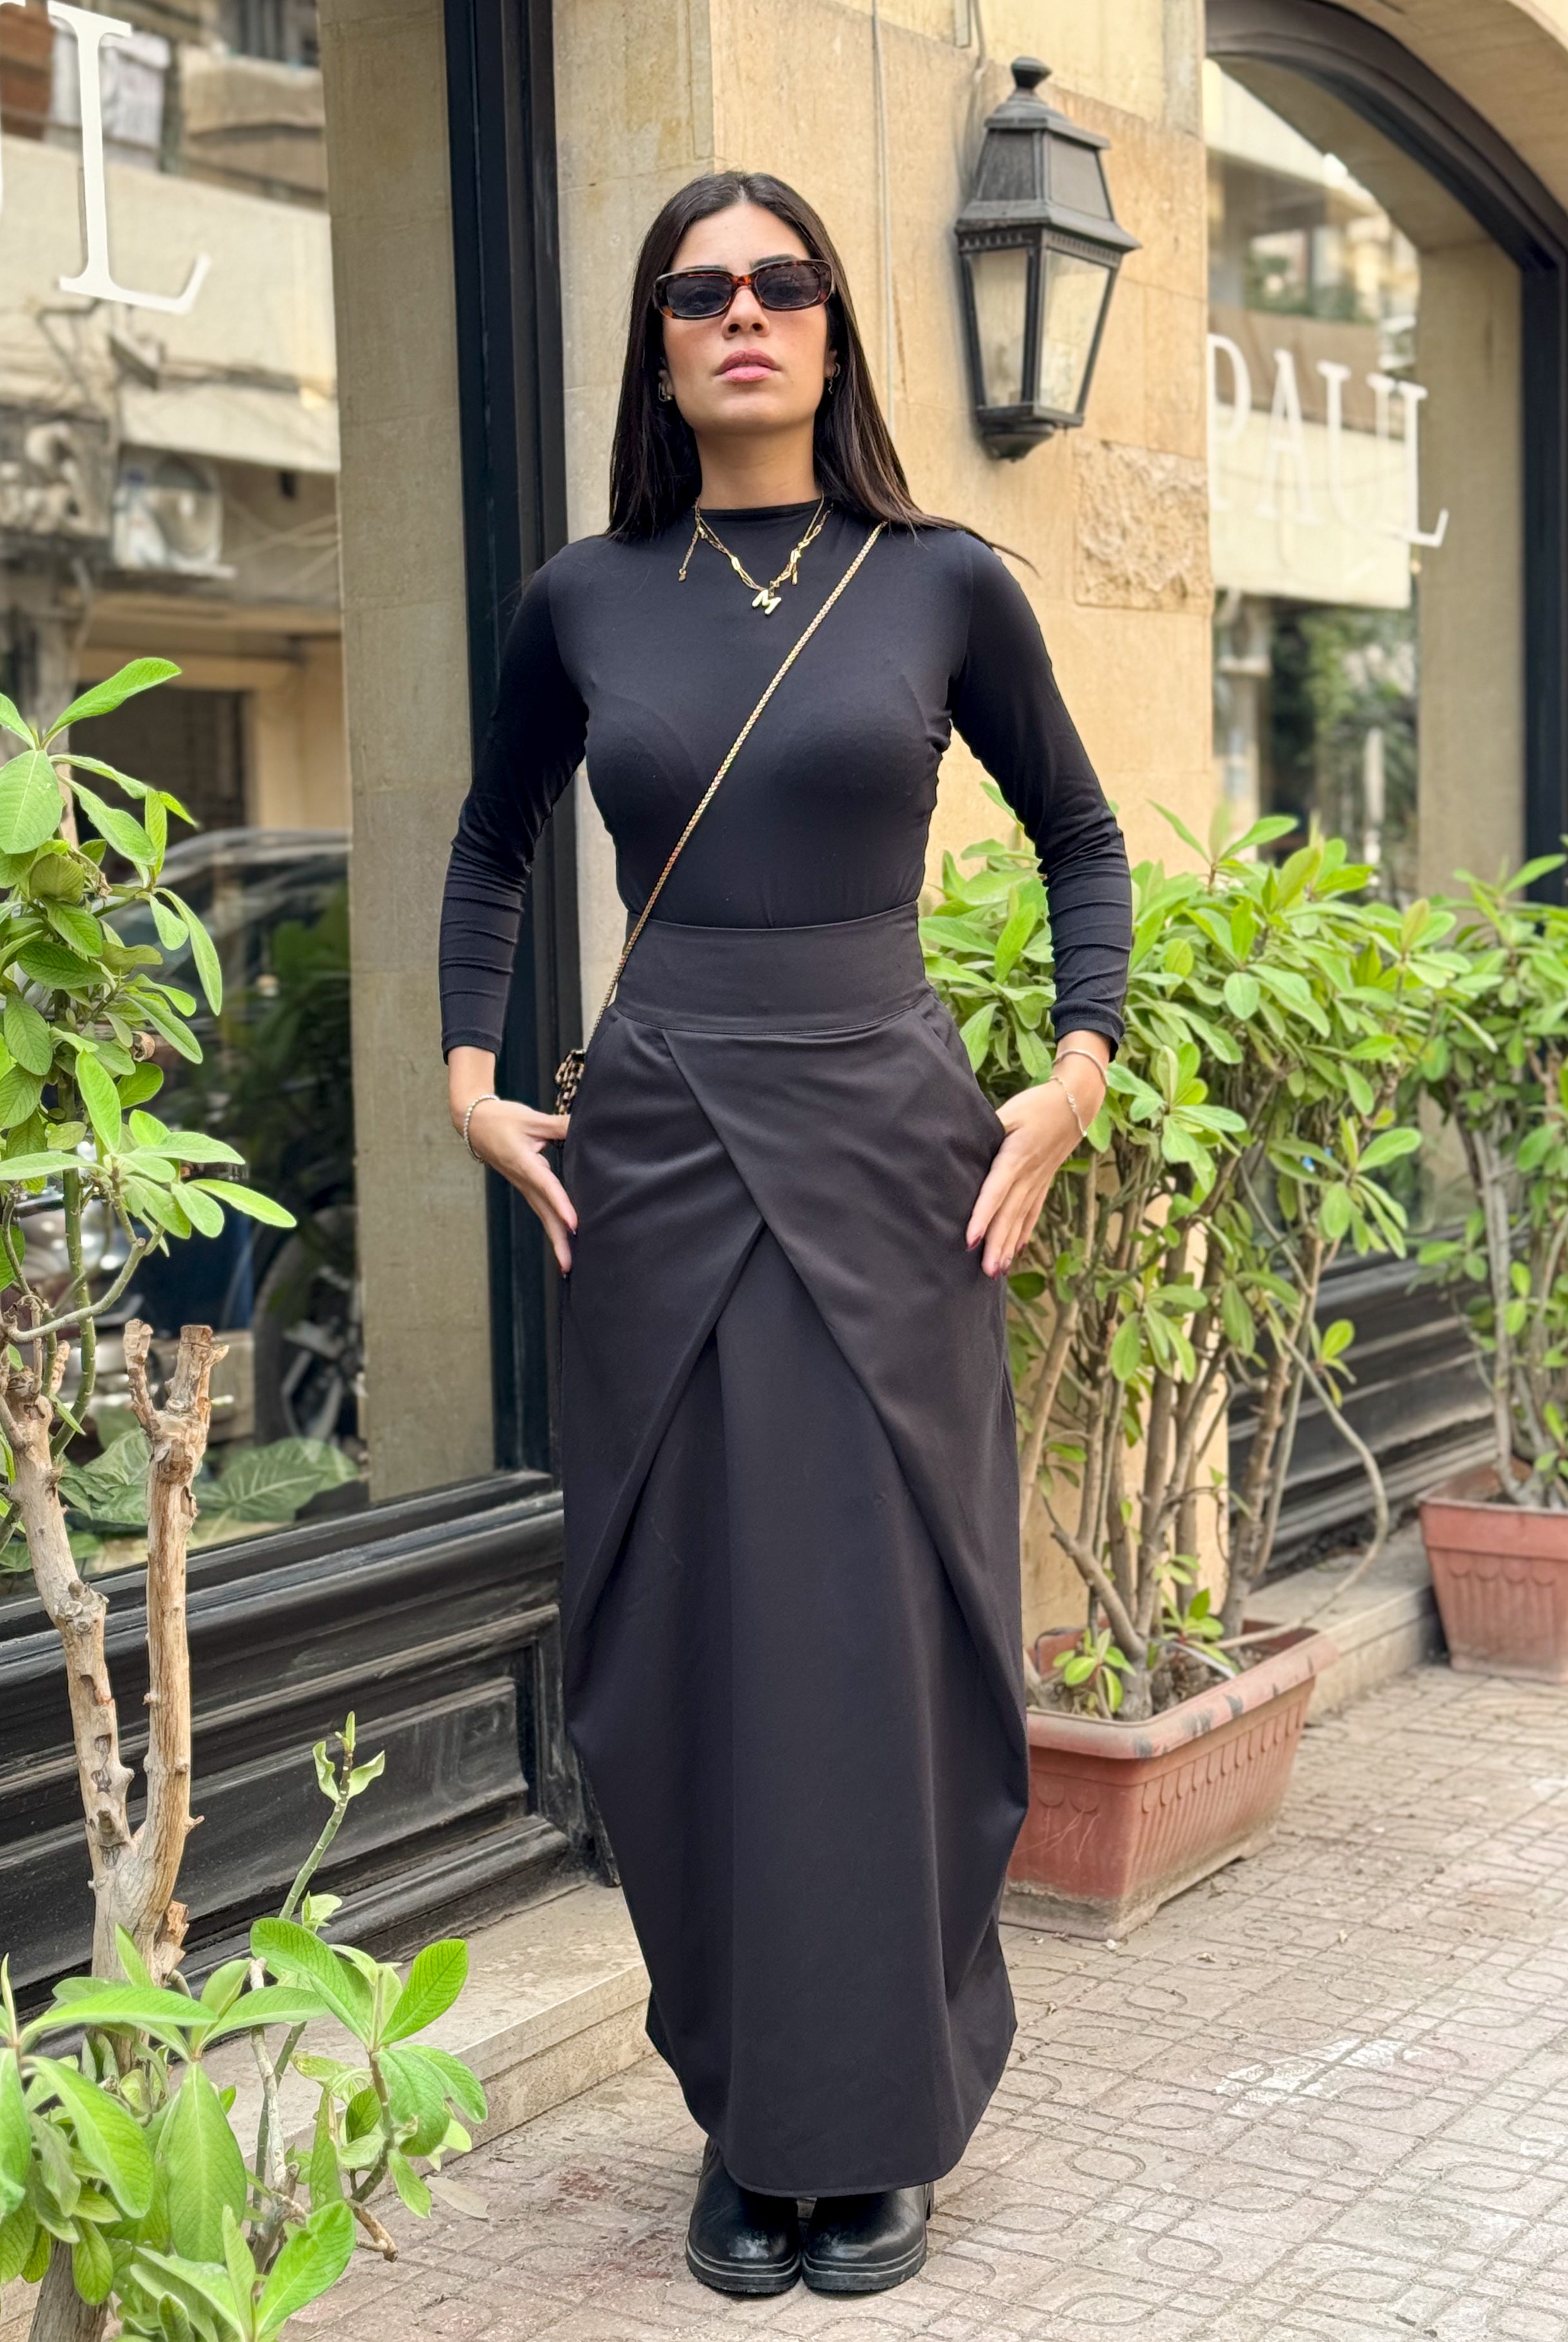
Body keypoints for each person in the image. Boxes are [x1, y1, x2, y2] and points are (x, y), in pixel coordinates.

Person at [438, 170, 1130, 2298]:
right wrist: (464, 1076)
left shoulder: (941, 584)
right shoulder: (580, 598)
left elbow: (1082, 834)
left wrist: (1073, 1071)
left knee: (884, 1642)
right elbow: (489, 846)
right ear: (656, 351)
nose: (741, 313)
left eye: (781, 283)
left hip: (890, 1156)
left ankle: (877, 2117)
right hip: (653, 1160)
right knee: (682, 1649)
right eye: (698, 292)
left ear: (829, 331)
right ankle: (748, 2122)